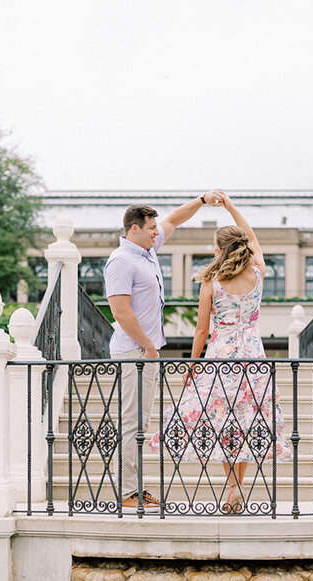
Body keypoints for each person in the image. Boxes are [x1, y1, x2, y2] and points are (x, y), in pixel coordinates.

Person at [152, 192, 290, 513]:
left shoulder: (211, 282)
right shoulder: (257, 272)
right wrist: (230, 207)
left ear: (220, 250)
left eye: (215, 245)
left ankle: (231, 486)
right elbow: (252, 235)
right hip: (253, 356)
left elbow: (201, 330)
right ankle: (237, 486)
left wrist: (192, 364)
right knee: (246, 419)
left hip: (221, 355)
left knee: (225, 421)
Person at [105, 191, 222, 509]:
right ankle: (127, 492)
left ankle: (134, 488)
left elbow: (174, 220)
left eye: (155, 227)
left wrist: (201, 201)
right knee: (132, 422)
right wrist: (146, 346)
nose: (158, 231)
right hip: (134, 352)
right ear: (134, 229)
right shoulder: (121, 261)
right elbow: (120, 311)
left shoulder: (148, 251)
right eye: (151, 227)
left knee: (140, 423)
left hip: (146, 352)